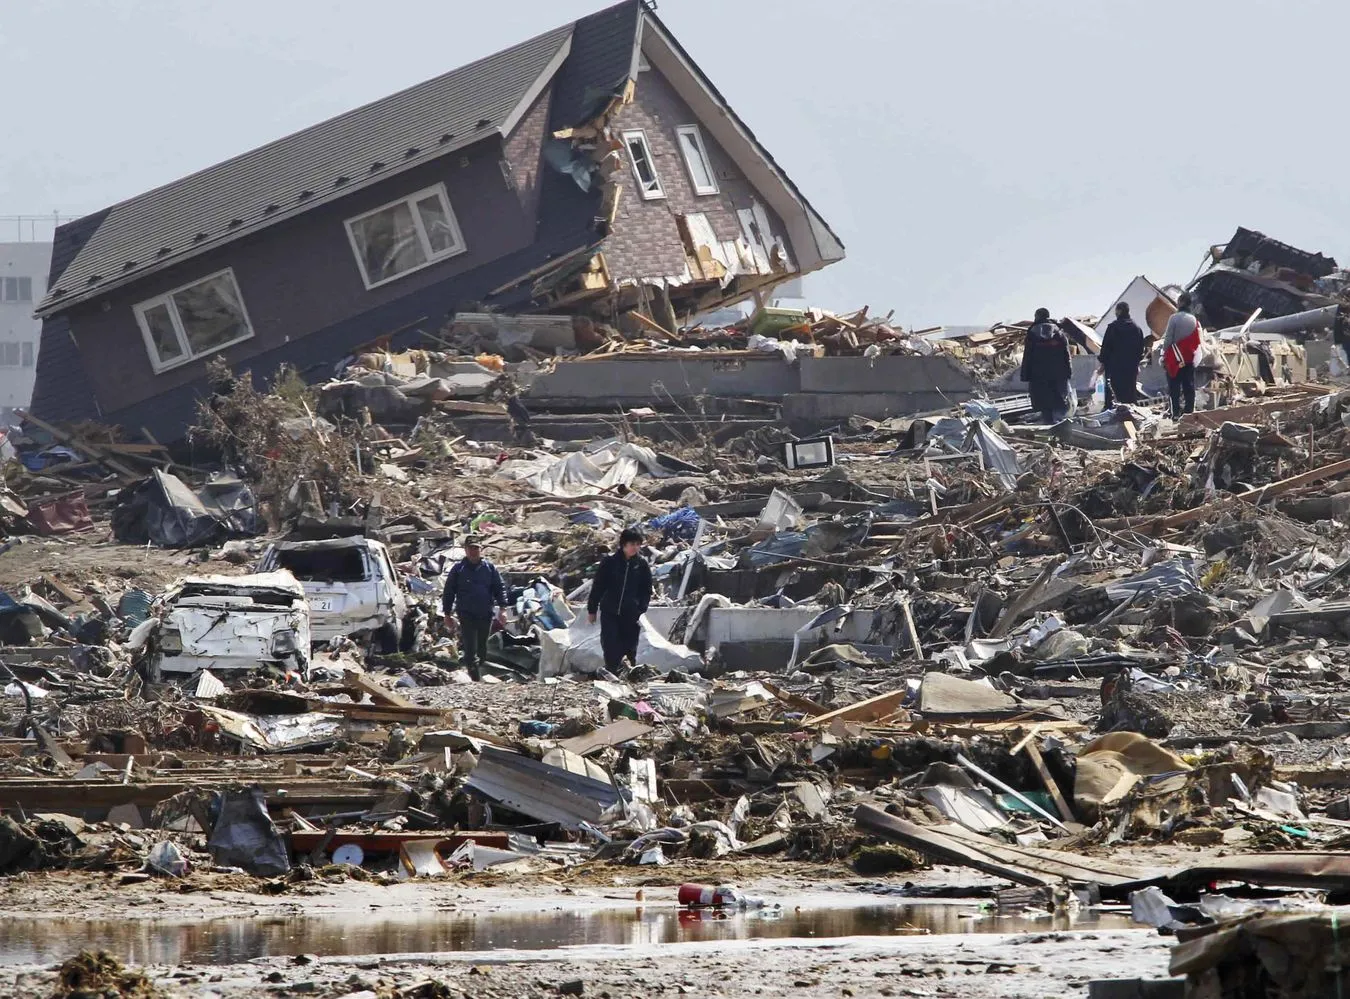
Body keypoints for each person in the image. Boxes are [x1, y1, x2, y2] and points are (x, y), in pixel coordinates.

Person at [587, 527, 653, 675]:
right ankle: (612, 673)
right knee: (610, 644)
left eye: (637, 544)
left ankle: (629, 674)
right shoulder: (610, 562)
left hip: (630, 612)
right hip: (610, 611)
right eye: (632, 544)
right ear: (623, 544)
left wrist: (640, 609)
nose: (635, 548)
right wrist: (592, 609)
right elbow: (598, 586)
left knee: (629, 645)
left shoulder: (641, 565)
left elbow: (646, 589)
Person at [441, 537, 508, 681]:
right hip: (466, 614)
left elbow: (499, 588)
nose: (473, 551)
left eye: (476, 548)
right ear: (465, 550)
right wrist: (447, 614)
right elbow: (448, 592)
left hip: (485, 613)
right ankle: (475, 679)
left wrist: (503, 609)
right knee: (470, 649)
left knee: (482, 648)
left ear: (480, 550)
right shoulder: (458, 570)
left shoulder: (489, 568)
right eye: (470, 548)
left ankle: (478, 670)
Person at [1020, 308, 1073, 423]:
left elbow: (1027, 356)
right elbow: (1066, 354)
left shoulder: (1032, 334)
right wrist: (1068, 372)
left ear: (1037, 317)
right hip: (1058, 374)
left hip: (1038, 376)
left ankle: (1049, 425)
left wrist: (1025, 375)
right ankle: (1060, 427)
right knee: (1059, 402)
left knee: (1044, 404)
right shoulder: (1059, 333)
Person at [1160, 292, 1202, 419]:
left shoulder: (1174, 318)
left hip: (1174, 359)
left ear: (1181, 302)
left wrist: (1163, 356)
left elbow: (1168, 339)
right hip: (1189, 359)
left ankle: (1176, 413)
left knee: (1174, 388)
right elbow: (1197, 342)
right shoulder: (1194, 320)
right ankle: (1189, 412)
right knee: (1189, 386)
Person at [1097, 302, 1147, 407]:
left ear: (1119, 311)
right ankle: (1131, 413)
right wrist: (1136, 362)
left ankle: (1113, 413)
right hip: (1131, 367)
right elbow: (1140, 349)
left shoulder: (1112, 328)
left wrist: (1102, 363)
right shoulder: (1136, 329)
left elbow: (1106, 347)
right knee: (1130, 392)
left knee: (1113, 393)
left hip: (1114, 367)